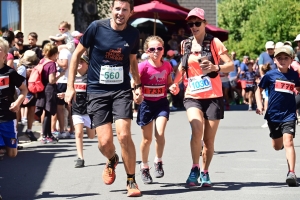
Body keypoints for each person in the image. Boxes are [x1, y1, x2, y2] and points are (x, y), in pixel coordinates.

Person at [64, 0, 142, 197]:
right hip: (97, 92)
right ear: (111, 9)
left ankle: (131, 180)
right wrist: (70, 86)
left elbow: (132, 61)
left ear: (131, 12)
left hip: (121, 91)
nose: (120, 13)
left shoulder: (133, 34)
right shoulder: (96, 27)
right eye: (117, 9)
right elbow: (76, 56)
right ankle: (112, 159)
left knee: (124, 135)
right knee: (104, 142)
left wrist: (138, 85)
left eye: (125, 10)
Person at [169, 7, 234, 188]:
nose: (194, 26)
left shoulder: (215, 42)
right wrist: (175, 83)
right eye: (191, 24)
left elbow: (230, 65)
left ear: (204, 23)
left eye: (197, 23)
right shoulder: (185, 44)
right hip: (193, 95)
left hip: (213, 96)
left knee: (208, 140)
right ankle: (195, 167)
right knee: (196, 129)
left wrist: (216, 68)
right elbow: (182, 68)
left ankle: (205, 171)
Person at [255, 46, 300, 187]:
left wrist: (296, 94)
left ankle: (291, 172)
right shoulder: (270, 75)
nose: (282, 60)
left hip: (289, 114)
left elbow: (298, 88)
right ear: (275, 60)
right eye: (279, 58)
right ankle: (277, 141)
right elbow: (259, 90)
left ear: (291, 60)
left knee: (289, 142)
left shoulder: (294, 75)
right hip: (273, 115)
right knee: (277, 146)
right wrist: (259, 105)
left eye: (286, 58)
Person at [136, 36, 173, 184]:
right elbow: (135, 82)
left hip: (161, 103)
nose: (156, 51)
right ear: (147, 51)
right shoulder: (143, 66)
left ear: (163, 50)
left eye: (159, 48)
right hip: (146, 105)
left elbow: (169, 83)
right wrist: (136, 93)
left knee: (160, 133)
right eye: (152, 49)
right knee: (147, 139)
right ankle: (144, 166)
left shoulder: (167, 66)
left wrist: (173, 87)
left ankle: (158, 161)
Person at [58, 55, 95, 168]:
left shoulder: (91, 78)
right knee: (78, 133)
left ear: (87, 65)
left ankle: (92, 129)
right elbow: (71, 92)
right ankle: (80, 158)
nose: (79, 63)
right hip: (77, 110)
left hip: (89, 111)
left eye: (82, 61)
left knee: (91, 136)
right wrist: (65, 95)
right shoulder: (72, 78)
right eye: (77, 61)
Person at [0, 37, 27, 158]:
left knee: (12, 153)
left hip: (8, 116)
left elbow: (24, 89)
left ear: (5, 54)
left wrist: (17, 102)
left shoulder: (10, 72)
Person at [35, 43, 64, 144]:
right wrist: (61, 75)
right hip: (49, 89)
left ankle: (47, 134)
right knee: (48, 112)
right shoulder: (51, 64)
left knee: (45, 111)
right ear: (54, 53)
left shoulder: (42, 61)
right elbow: (51, 80)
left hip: (41, 88)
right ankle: (45, 136)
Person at [17, 50, 40, 141]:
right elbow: (18, 80)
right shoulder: (22, 67)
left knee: (31, 109)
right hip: (22, 90)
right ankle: (16, 133)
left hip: (31, 89)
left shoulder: (35, 65)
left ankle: (29, 130)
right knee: (18, 111)